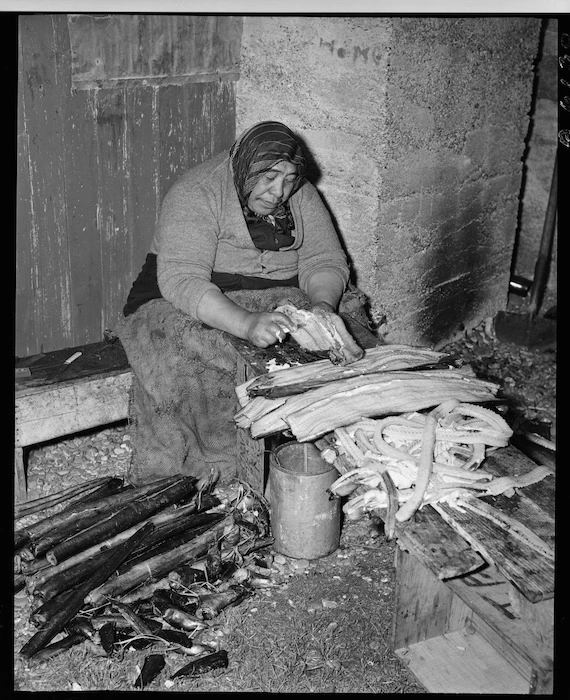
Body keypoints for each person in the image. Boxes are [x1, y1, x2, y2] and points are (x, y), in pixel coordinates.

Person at [117, 120, 368, 486]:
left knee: (348, 323)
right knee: (182, 349)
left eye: (289, 179)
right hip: (194, 293)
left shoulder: (302, 194)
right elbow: (182, 279)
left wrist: (322, 308)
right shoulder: (198, 191)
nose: (279, 191)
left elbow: (325, 260)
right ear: (244, 166)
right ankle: (217, 465)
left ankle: (311, 442)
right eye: (268, 178)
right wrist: (247, 323)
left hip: (277, 288)